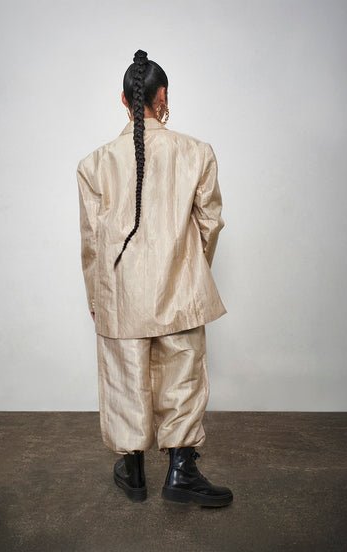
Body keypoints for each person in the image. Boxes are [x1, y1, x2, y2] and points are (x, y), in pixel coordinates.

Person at [76, 49, 233, 507]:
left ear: (124, 100)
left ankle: (133, 472)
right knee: (182, 377)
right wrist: (189, 270)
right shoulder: (197, 152)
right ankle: (182, 472)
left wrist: (96, 297)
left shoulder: (94, 164)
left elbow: (92, 243)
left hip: (120, 292)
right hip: (181, 289)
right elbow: (210, 224)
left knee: (125, 378)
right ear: (161, 95)